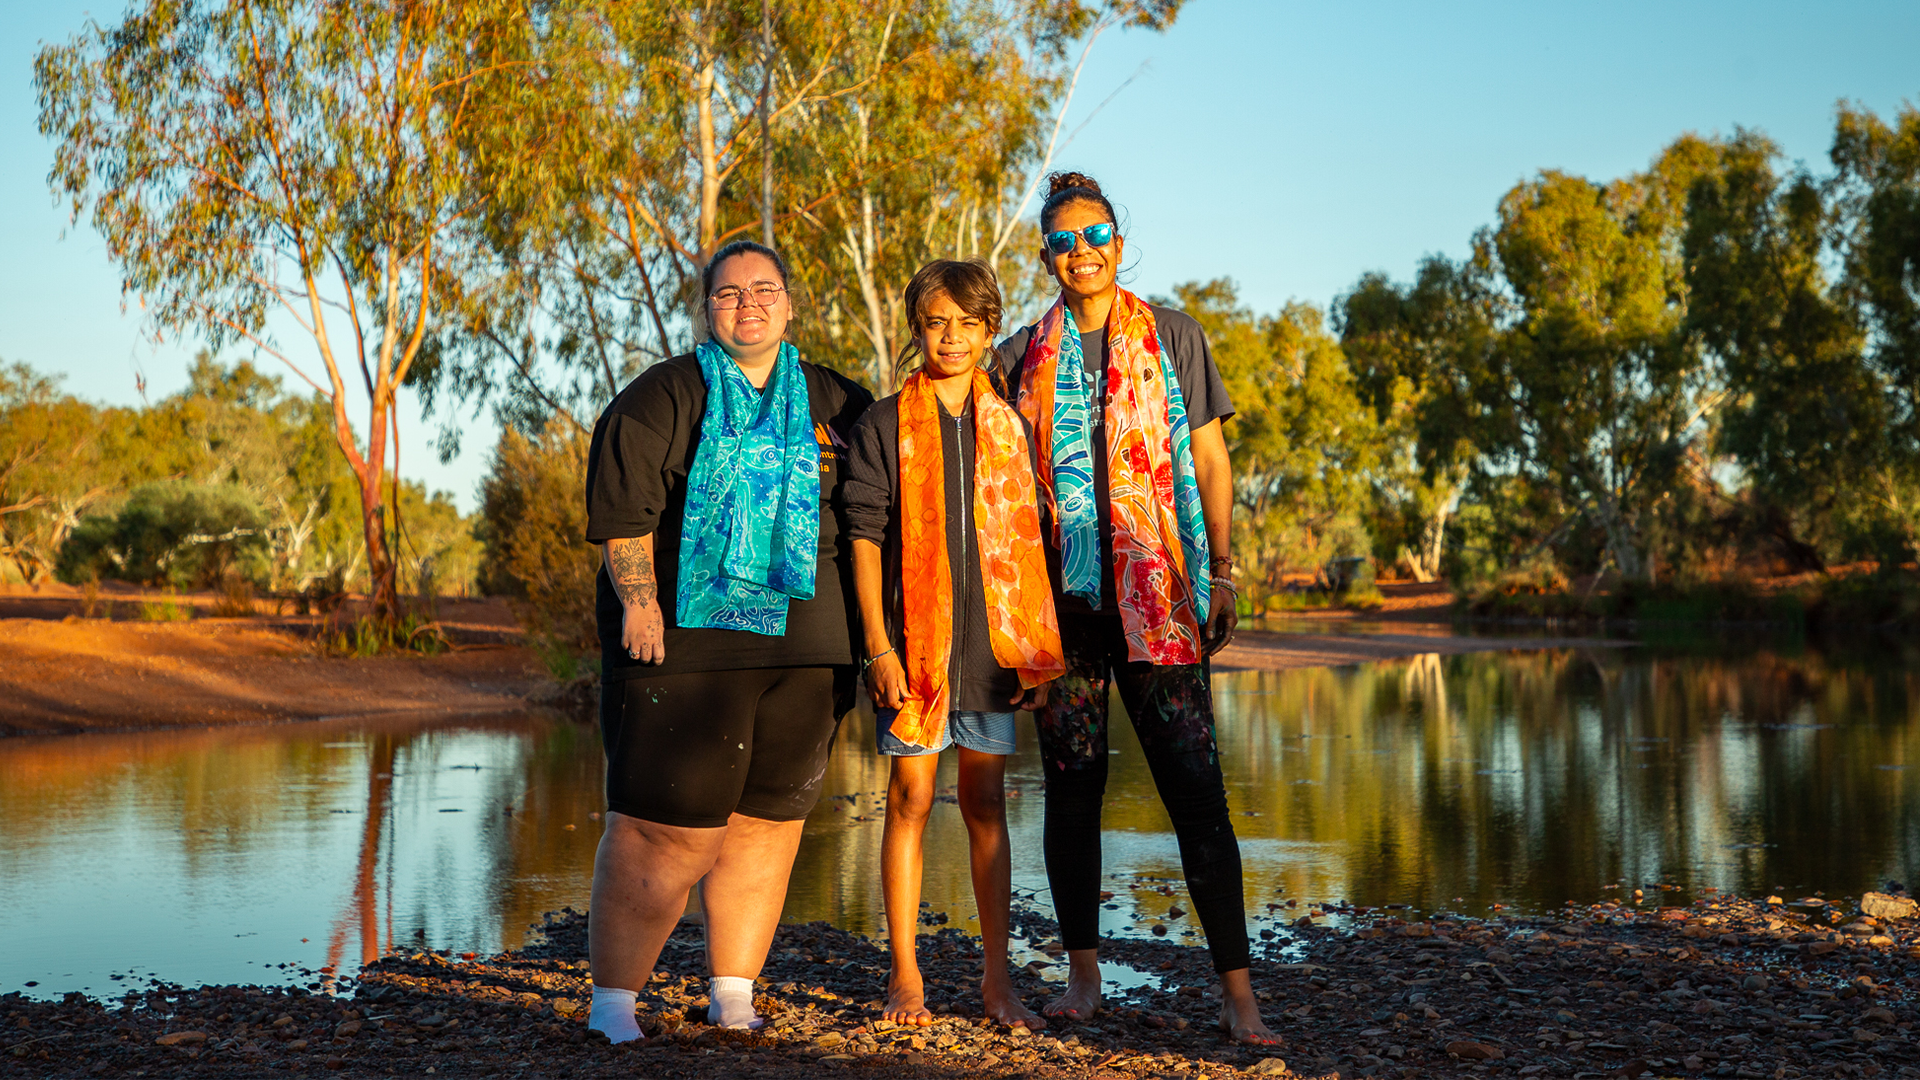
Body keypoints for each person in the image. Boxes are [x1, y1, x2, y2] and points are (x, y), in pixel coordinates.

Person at [994, 172, 1279, 1045]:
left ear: (1120, 241)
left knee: (1197, 792)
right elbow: (993, 482)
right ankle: (1085, 980)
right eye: (1064, 241)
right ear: (1046, 256)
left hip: (1160, 599)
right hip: (1064, 609)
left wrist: (1221, 572)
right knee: (1073, 793)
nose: (1082, 252)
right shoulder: (1015, 357)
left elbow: (1212, 460)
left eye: (1097, 234)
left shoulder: (1176, 338)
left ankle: (1240, 997)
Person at [582, 239, 871, 1044]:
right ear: (706, 308)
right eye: (729, 293)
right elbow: (623, 520)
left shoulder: (838, 401)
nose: (749, 304)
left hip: (812, 646)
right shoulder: (662, 397)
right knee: (663, 830)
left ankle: (733, 993)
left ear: (790, 302)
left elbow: (874, 519)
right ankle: (613, 1005)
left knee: (766, 825)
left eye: (765, 289)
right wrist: (640, 606)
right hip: (689, 644)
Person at [842, 259, 1064, 1031]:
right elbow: (862, 538)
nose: (953, 338)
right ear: (916, 329)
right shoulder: (881, 424)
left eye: (969, 324)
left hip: (992, 650)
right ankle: (904, 975)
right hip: (913, 649)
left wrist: (1034, 649)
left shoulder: (1008, 424)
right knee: (907, 798)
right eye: (937, 322)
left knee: (984, 804)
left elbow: (1033, 538)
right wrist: (879, 645)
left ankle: (997, 983)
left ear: (988, 331)